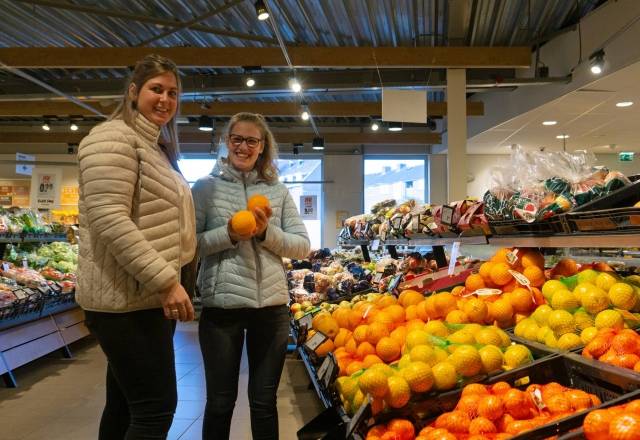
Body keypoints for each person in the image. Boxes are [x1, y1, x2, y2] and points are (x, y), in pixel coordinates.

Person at [77, 54, 196, 439]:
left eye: (172, 93)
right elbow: (110, 219)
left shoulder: (154, 147)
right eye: (155, 89)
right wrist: (165, 280)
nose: (164, 99)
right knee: (155, 409)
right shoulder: (111, 138)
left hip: (140, 301)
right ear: (133, 92)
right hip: (125, 302)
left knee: (126, 406)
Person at [192, 112, 310, 440]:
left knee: (263, 402)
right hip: (221, 310)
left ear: (262, 147)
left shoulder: (278, 191)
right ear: (227, 143)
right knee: (219, 402)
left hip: (270, 310)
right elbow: (189, 245)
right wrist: (229, 233)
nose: (243, 147)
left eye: (252, 141)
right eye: (237, 139)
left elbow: (302, 246)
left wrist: (264, 233)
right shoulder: (204, 188)